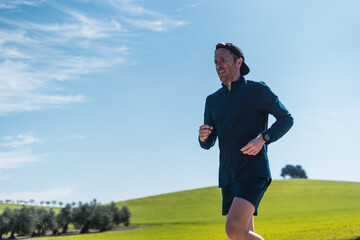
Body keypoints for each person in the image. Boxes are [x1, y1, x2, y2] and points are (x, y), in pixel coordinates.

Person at [198, 42, 294, 240]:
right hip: (227, 175)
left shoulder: (257, 90)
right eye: (215, 61)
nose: (218, 65)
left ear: (239, 62)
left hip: (253, 170)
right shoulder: (212, 100)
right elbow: (208, 142)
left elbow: (286, 119)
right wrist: (203, 137)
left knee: (233, 230)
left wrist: (264, 138)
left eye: (223, 60)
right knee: (242, 235)